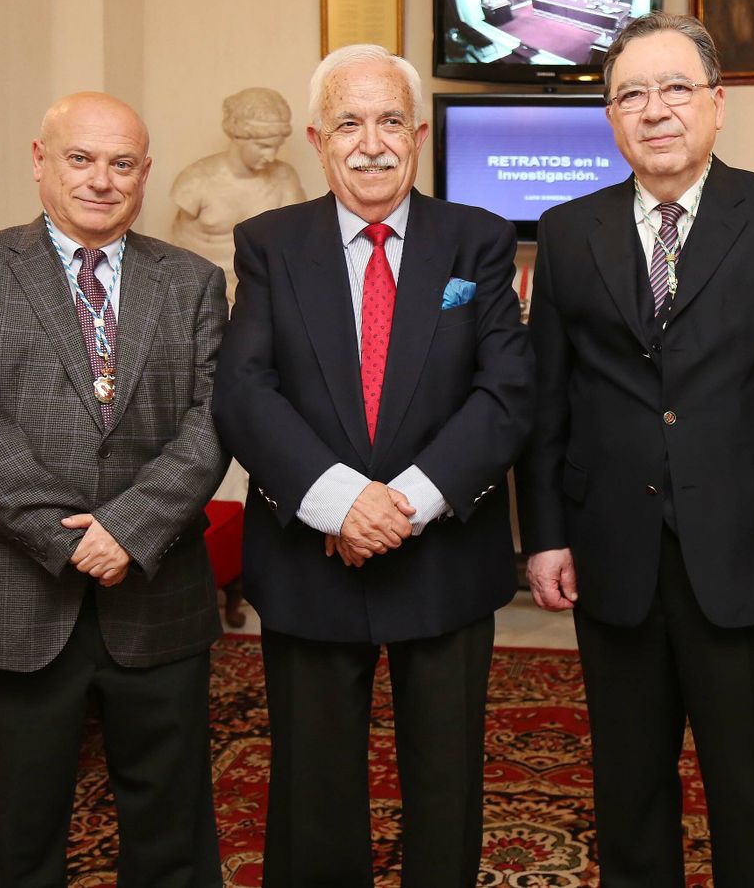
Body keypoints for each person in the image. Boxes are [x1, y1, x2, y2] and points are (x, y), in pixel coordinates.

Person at [519, 12, 754, 886]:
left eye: (676, 88)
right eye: (631, 93)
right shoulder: (566, 232)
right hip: (613, 552)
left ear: (717, 104)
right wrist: (545, 534)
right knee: (628, 788)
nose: (655, 109)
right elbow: (546, 400)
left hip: (752, 545)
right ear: (610, 118)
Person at [212, 44, 532, 886]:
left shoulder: (480, 242)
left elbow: (507, 393)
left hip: (445, 554)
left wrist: (404, 505)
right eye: (349, 123)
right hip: (308, 555)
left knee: (448, 778)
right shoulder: (270, 244)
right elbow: (245, 390)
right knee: (313, 783)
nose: (372, 142)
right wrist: (340, 502)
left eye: (391, 120)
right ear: (318, 140)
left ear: (419, 133)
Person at [0, 92, 229, 887]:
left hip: (157, 587)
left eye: (122, 163)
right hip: (15, 588)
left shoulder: (193, 280)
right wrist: (68, 540)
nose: (101, 180)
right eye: (80, 159)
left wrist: (128, 529)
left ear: (146, 173)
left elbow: (215, 417)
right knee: (17, 830)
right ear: (40, 161)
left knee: (172, 828)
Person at [170, 87, 306, 300]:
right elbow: (177, 249)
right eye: (262, 146)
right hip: (201, 289)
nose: (271, 156)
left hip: (262, 290)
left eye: (276, 147)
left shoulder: (285, 179)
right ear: (238, 137)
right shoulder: (196, 181)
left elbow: (297, 245)